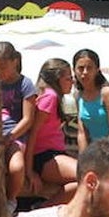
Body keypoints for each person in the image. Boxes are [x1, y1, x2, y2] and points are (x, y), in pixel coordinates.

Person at [0, 41, 35, 217]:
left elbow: (28, 119)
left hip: (15, 135)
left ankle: (11, 199)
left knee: (16, 167)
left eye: (2, 67)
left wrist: (11, 136)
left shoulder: (25, 84)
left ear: (15, 62)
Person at [25, 58, 77, 207]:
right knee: (87, 177)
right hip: (44, 157)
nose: (72, 82)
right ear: (57, 79)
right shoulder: (50, 97)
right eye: (68, 78)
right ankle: (43, 209)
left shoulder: (49, 96)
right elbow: (33, 134)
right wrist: (29, 171)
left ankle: (47, 207)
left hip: (51, 155)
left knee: (89, 177)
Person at [73, 48, 109, 152]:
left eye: (89, 68)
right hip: (94, 153)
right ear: (74, 70)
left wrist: (98, 156)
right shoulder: (78, 95)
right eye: (81, 68)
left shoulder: (107, 93)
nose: (85, 72)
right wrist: (83, 160)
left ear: (97, 70)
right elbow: (82, 133)